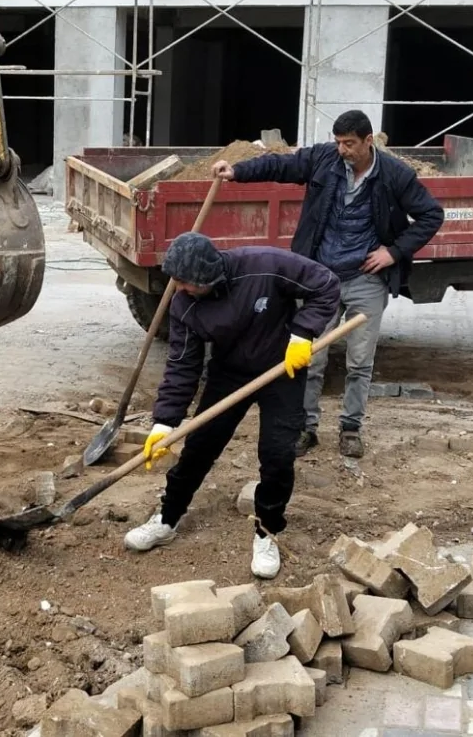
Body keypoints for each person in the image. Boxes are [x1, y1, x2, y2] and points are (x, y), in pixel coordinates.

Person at [214, 110, 444, 458]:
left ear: (369, 141)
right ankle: (306, 428)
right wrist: (237, 171)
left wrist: (394, 252)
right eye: (338, 142)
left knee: (360, 360)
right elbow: (279, 167)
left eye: (349, 143)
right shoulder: (323, 159)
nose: (342, 150)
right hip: (320, 280)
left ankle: (350, 429)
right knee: (310, 357)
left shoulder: (395, 175)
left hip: (367, 279)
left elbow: (431, 214)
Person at [124, 232, 340, 579]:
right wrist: (164, 423)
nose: (179, 289)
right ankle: (167, 518)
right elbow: (182, 365)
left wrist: (303, 333)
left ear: (209, 277)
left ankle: (267, 531)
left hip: (281, 369)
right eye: (175, 281)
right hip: (229, 374)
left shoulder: (264, 265)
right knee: (199, 448)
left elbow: (326, 284)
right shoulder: (184, 306)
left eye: (186, 283)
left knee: (277, 455)